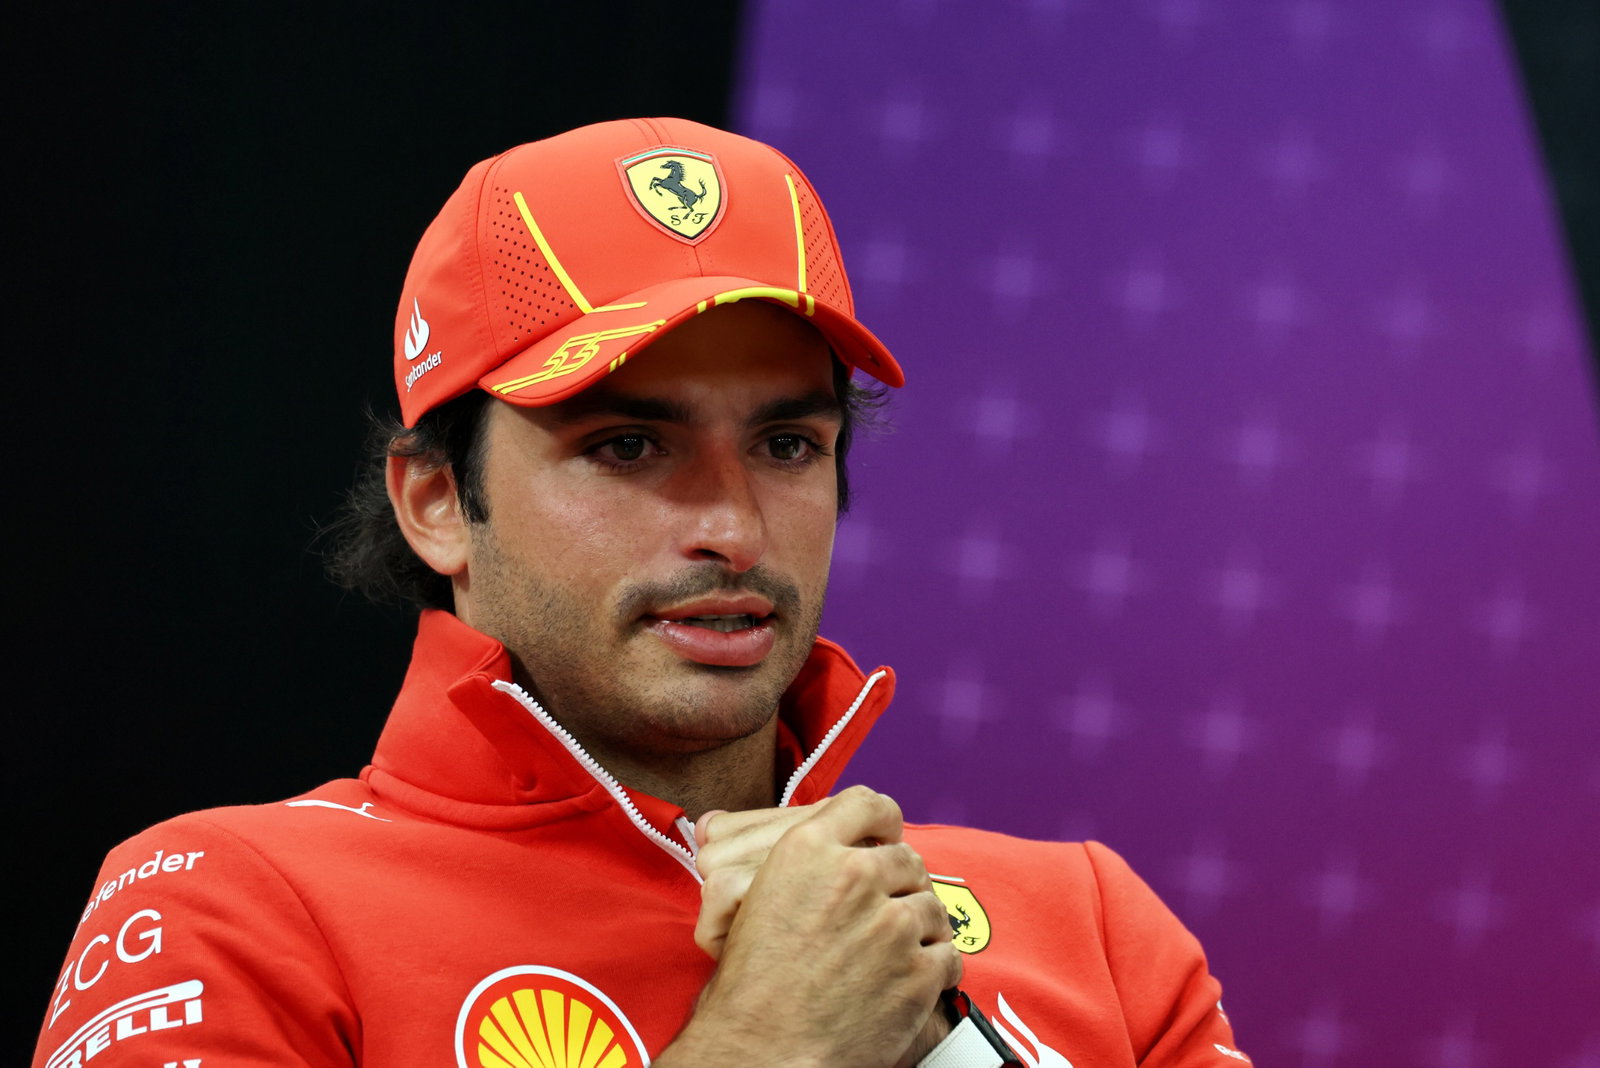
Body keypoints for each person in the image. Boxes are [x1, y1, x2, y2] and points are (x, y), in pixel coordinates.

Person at [33, 117, 1248, 1068]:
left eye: (785, 445)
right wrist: (767, 1045)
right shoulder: (227, 906)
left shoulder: (1089, 926)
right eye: (626, 447)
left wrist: (945, 1050)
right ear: (437, 502)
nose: (732, 529)